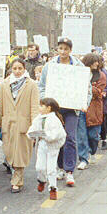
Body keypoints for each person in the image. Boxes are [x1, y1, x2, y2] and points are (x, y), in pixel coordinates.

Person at [38, 37, 92, 187]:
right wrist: (46, 102)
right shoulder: (50, 66)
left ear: (70, 50)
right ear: (57, 49)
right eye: (60, 48)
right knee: (57, 138)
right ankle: (60, 166)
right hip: (55, 109)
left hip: (72, 109)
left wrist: (84, 103)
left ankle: (69, 170)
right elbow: (42, 87)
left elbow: (86, 88)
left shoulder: (78, 66)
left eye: (66, 49)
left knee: (70, 137)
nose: (63, 51)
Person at [0, 58, 39, 193]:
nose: (17, 71)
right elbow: (1, 105)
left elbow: (34, 106)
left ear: (24, 69)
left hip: (24, 123)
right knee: (9, 152)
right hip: (9, 123)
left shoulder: (31, 85)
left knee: (20, 153)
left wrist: (35, 126)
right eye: (14, 69)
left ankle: (17, 179)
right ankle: (15, 172)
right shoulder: (5, 84)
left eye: (20, 69)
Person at [27, 98, 66, 200]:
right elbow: (31, 130)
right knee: (39, 167)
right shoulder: (38, 119)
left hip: (52, 147)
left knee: (51, 169)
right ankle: (42, 180)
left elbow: (55, 135)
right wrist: (32, 135)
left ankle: (53, 188)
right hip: (41, 145)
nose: (39, 108)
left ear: (49, 108)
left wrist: (45, 135)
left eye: (41, 106)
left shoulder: (54, 120)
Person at [77, 53, 106, 169]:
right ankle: (83, 158)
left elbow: (99, 91)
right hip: (81, 108)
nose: (96, 64)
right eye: (94, 61)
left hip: (94, 109)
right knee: (81, 135)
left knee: (93, 135)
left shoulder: (101, 76)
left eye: (97, 62)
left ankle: (92, 151)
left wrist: (87, 85)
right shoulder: (80, 74)